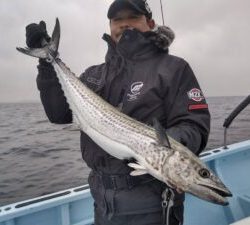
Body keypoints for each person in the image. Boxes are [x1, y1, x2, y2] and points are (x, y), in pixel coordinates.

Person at [25, 0, 210, 224]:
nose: (124, 24)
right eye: (117, 20)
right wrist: (46, 63)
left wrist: (161, 152)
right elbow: (59, 114)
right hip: (102, 200)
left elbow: (194, 125)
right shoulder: (94, 74)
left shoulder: (173, 68)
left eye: (133, 17)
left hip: (153, 203)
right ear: (110, 26)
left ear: (150, 23)